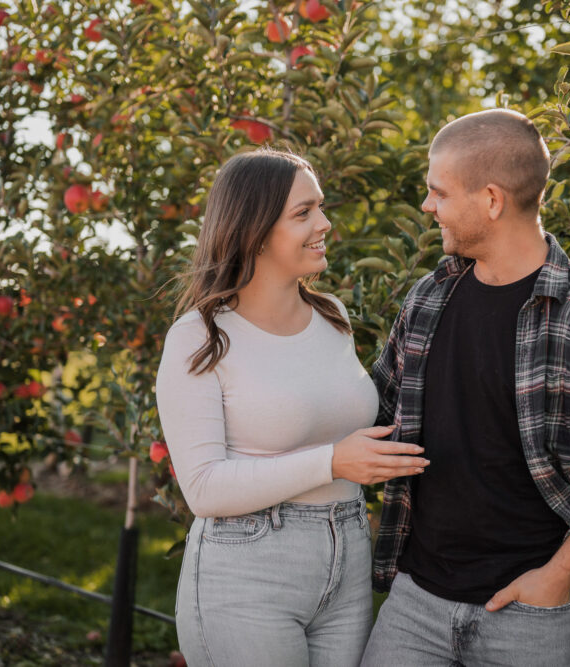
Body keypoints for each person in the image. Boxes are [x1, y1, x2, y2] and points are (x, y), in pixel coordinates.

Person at [360, 109, 570, 667]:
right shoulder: (429, 298)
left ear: (491, 200)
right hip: (417, 602)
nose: (427, 206)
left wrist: (554, 580)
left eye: (438, 192)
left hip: (532, 616)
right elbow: (372, 413)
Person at [155, 149, 430, 666]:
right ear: (255, 232)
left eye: (320, 208)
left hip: (346, 556)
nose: (324, 224)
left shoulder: (333, 317)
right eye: (303, 213)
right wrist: (331, 462)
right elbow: (204, 488)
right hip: (247, 571)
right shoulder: (200, 337)